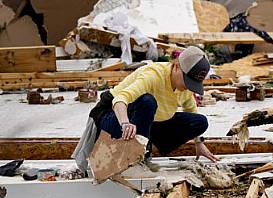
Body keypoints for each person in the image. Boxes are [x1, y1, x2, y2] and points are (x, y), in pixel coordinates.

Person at [88, 46, 218, 164]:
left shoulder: (184, 89)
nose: (188, 86)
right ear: (177, 66)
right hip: (112, 117)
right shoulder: (153, 75)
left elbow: (191, 111)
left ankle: (146, 147)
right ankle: (134, 156)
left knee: (200, 122)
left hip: (146, 122)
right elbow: (120, 100)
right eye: (187, 81)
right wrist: (125, 123)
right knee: (147, 101)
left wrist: (199, 143)